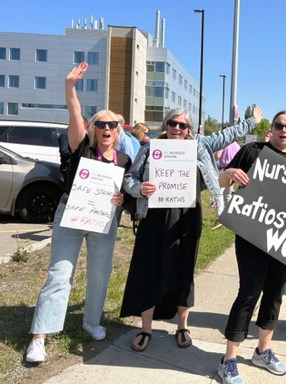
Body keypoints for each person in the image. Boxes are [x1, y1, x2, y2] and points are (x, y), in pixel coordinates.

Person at [119, 105, 262, 352]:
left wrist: (251, 121)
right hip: (153, 216)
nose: (177, 128)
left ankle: (182, 326)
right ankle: (146, 328)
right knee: (149, 270)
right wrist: (139, 188)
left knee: (184, 270)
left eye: (182, 125)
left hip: (187, 216)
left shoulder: (200, 146)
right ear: (166, 125)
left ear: (189, 129)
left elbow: (227, 135)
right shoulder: (151, 148)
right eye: (173, 123)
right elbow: (129, 178)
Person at [26, 62, 130, 363]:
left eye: (112, 125)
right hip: (70, 214)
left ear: (118, 131)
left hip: (104, 220)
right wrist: (70, 87)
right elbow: (74, 115)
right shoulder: (80, 147)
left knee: (100, 274)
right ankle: (40, 336)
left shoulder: (123, 159)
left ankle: (91, 321)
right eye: (101, 124)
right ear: (93, 129)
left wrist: (122, 197)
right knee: (59, 274)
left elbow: (127, 190)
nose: (106, 129)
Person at [217, 111, 286, 384]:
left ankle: (263, 350)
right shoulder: (251, 151)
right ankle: (229, 360)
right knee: (249, 292)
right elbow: (221, 182)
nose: (284, 130)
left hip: (282, 240)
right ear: (271, 128)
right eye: (280, 125)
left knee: (274, 293)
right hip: (251, 236)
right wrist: (229, 174)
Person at [213, 140, 242, 229]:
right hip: (233, 170)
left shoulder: (223, 144)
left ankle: (220, 218)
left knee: (219, 193)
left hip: (223, 170)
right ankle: (230, 216)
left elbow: (218, 156)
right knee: (228, 195)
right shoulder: (237, 146)